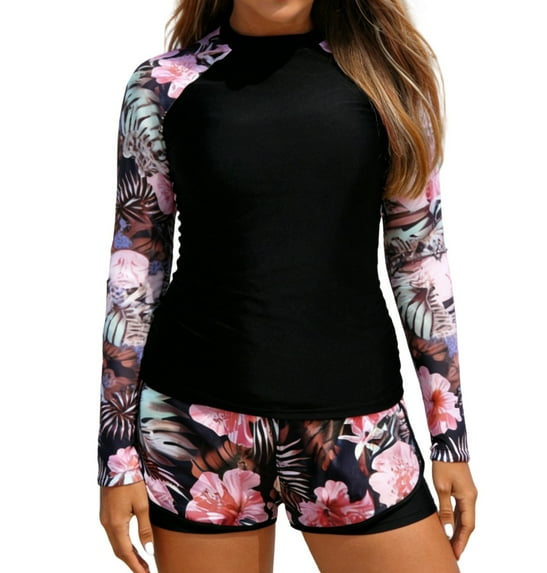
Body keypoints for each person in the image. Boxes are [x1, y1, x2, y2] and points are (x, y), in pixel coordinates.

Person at [98, 1, 477, 572]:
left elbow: (419, 261)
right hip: (194, 427)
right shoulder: (163, 86)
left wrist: (450, 438)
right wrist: (116, 459)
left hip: (356, 427)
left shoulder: (390, 82)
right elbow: (135, 270)